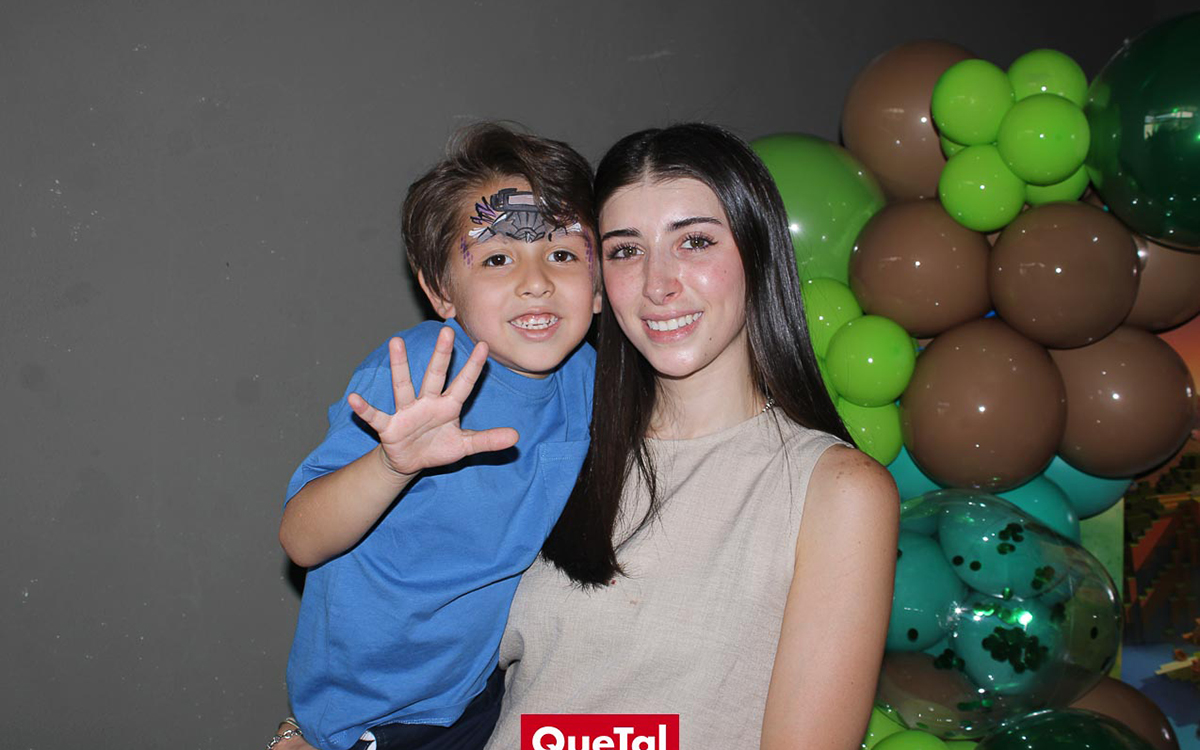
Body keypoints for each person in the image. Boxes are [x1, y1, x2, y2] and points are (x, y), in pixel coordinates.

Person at [483, 123, 900, 749]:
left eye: (695, 241)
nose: (658, 283)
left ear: (758, 253)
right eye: (626, 250)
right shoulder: (554, 449)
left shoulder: (834, 491)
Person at [273, 122, 602, 750]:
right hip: (370, 711)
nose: (536, 280)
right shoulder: (417, 377)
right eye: (497, 258)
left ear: (600, 285)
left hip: (481, 694)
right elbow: (301, 539)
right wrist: (392, 464)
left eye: (562, 253)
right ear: (441, 291)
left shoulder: (592, 379)